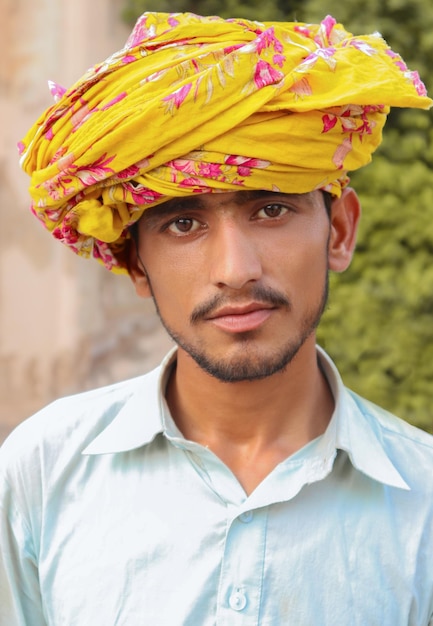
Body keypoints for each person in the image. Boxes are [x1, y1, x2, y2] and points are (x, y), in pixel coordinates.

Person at [1, 11, 433, 625]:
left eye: (272, 209)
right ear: (135, 262)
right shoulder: (43, 472)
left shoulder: (423, 503)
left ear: (339, 231)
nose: (235, 269)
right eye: (184, 223)